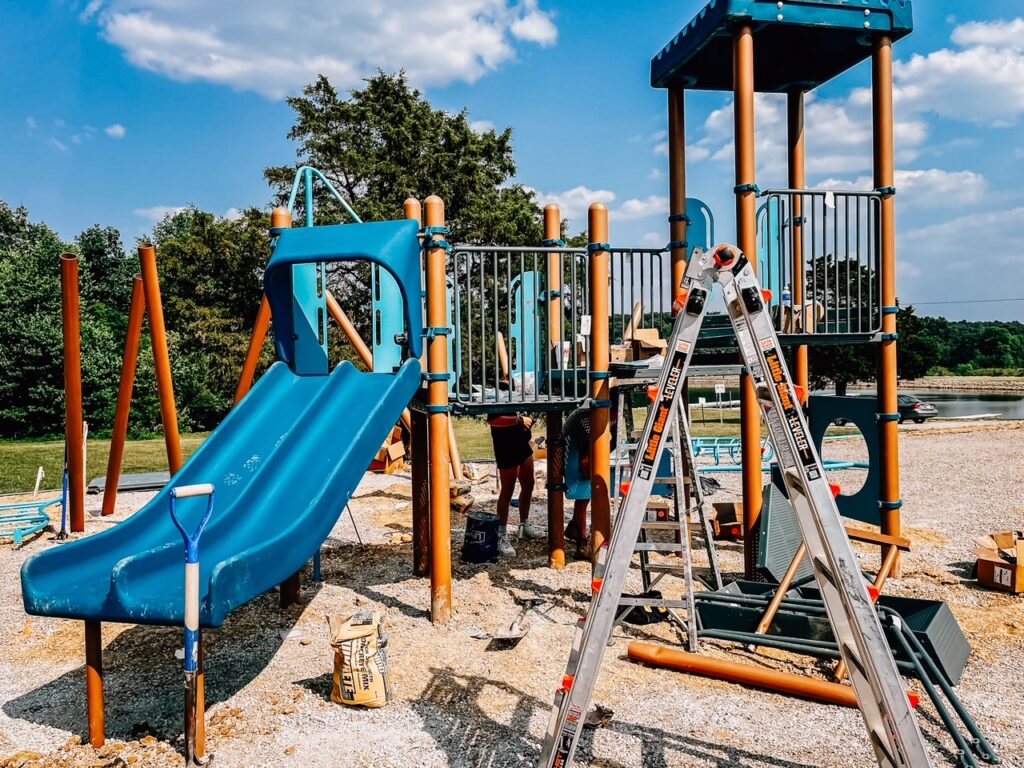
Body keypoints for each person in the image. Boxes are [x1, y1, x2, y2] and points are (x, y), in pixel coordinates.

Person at [488, 412, 543, 556]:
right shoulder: (496, 393)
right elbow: (494, 420)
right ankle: (501, 534)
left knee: (529, 484)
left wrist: (528, 420)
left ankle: (524, 525)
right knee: (508, 489)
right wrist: (519, 420)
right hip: (505, 445)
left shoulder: (520, 391)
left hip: (521, 443)